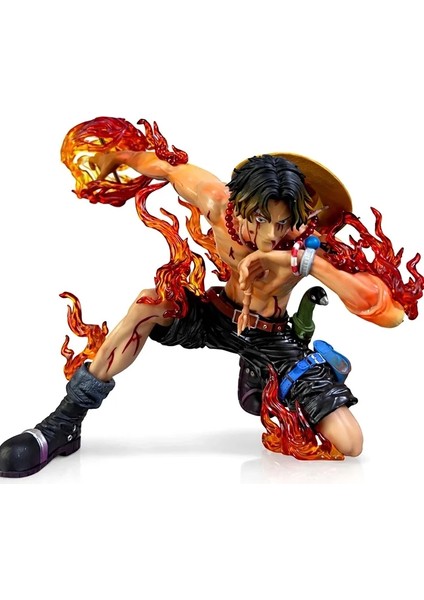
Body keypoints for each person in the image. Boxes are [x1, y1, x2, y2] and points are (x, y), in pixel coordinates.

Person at [0, 118, 415, 477]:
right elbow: (160, 165)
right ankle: (63, 423)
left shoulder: (304, 245)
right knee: (148, 303)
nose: (270, 234)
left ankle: (277, 369)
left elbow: (390, 313)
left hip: (272, 338)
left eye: (282, 223)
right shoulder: (217, 203)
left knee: (350, 442)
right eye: (260, 219)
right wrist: (115, 157)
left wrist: (307, 264)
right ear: (240, 204)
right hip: (216, 314)